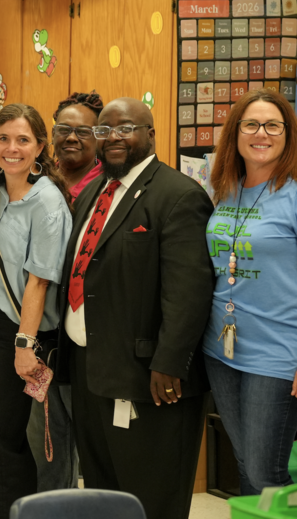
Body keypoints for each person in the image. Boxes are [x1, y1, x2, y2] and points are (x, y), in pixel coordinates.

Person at [56, 98, 214, 519]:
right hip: (91, 372)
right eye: (104, 131)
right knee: (104, 496)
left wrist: (170, 362)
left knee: (151, 499)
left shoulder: (179, 196)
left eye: (125, 128)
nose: (113, 139)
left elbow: (189, 291)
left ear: (151, 134)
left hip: (150, 378)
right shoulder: (93, 192)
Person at [0, 103, 72, 519]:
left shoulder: (46, 203)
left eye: (23, 140)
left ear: (41, 147)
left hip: (17, 331)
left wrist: (25, 345)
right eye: (4, 139)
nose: (12, 148)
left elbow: (39, 282)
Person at [203, 89, 297, 495]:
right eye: (251, 124)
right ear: (236, 133)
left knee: (265, 473)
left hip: (277, 353)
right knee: (244, 467)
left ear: (287, 134)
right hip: (221, 349)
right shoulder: (224, 190)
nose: (262, 133)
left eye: (273, 125)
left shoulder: (293, 193)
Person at [25, 90, 105, 492]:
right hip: (41, 332)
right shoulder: (37, 180)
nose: (71, 137)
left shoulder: (109, 189)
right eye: (63, 129)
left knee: (91, 445)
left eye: (83, 131)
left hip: (87, 337)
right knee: (47, 440)